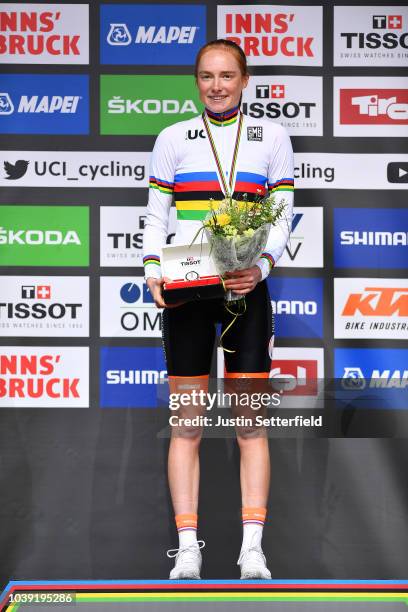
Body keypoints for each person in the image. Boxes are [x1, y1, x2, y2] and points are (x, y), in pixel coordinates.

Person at [143, 39, 294, 579]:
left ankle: (252, 549)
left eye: (227, 75)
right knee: (187, 423)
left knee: (250, 424)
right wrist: (151, 269)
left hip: (245, 287)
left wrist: (264, 268)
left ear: (245, 79)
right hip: (188, 290)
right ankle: (189, 549)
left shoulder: (273, 137)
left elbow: (283, 214)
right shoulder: (172, 137)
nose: (217, 85)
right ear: (196, 81)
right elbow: (157, 213)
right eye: (206, 76)